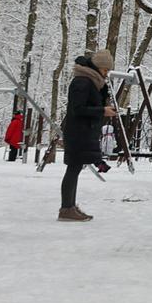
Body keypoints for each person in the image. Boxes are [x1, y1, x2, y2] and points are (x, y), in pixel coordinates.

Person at [59, 51, 115, 222]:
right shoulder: (82, 82)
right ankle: (66, 208)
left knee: (75, 168)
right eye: (105, 70)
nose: (106, 74)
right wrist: (102, 110)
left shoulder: (91, 81)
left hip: (83, 131)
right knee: (73, 168)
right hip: (78, 132)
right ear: (97, 67)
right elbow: (78, 108)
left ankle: (69, 206)